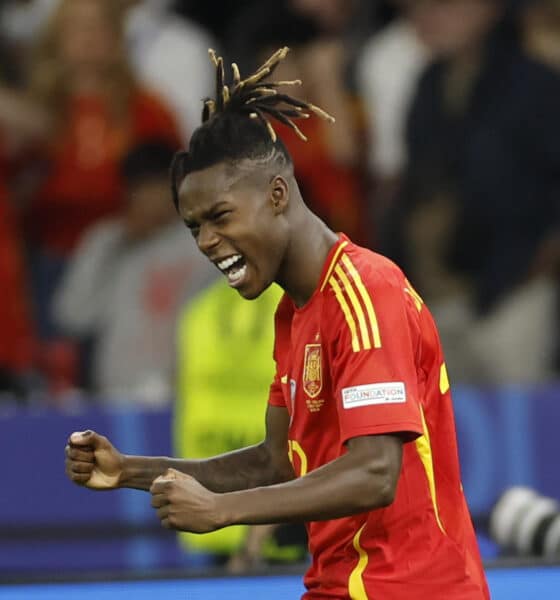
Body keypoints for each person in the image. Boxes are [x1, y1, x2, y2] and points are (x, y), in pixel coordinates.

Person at [65, 47, 489, 599]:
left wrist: (222, 511)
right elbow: (276, 461)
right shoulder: (294, 314)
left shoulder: (367, 293)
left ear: (278, 195)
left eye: (220, 217)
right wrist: (129, 470)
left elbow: (374, 473)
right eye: (194, 228)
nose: (207, 242)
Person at [53, 140, 214, 404]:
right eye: (142, 188)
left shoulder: (205, 241)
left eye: (160, 187)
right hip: (114, 392)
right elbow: (72, 316)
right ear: (127, 192)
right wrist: (118, 249)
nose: (152, 199)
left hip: (186, 391)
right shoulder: (105, 240)